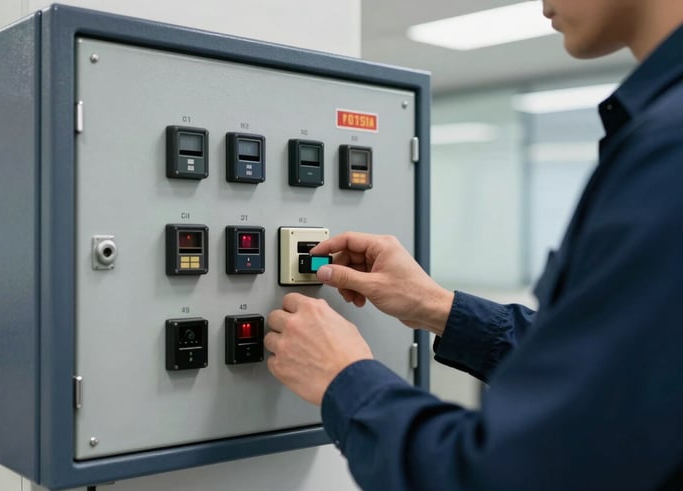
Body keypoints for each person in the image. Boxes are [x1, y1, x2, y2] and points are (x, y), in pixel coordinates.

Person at [263, 0, 683, 489]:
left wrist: (345, 379)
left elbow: (508, 473)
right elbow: (619, 380)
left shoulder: (668, 152)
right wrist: (438, 307)